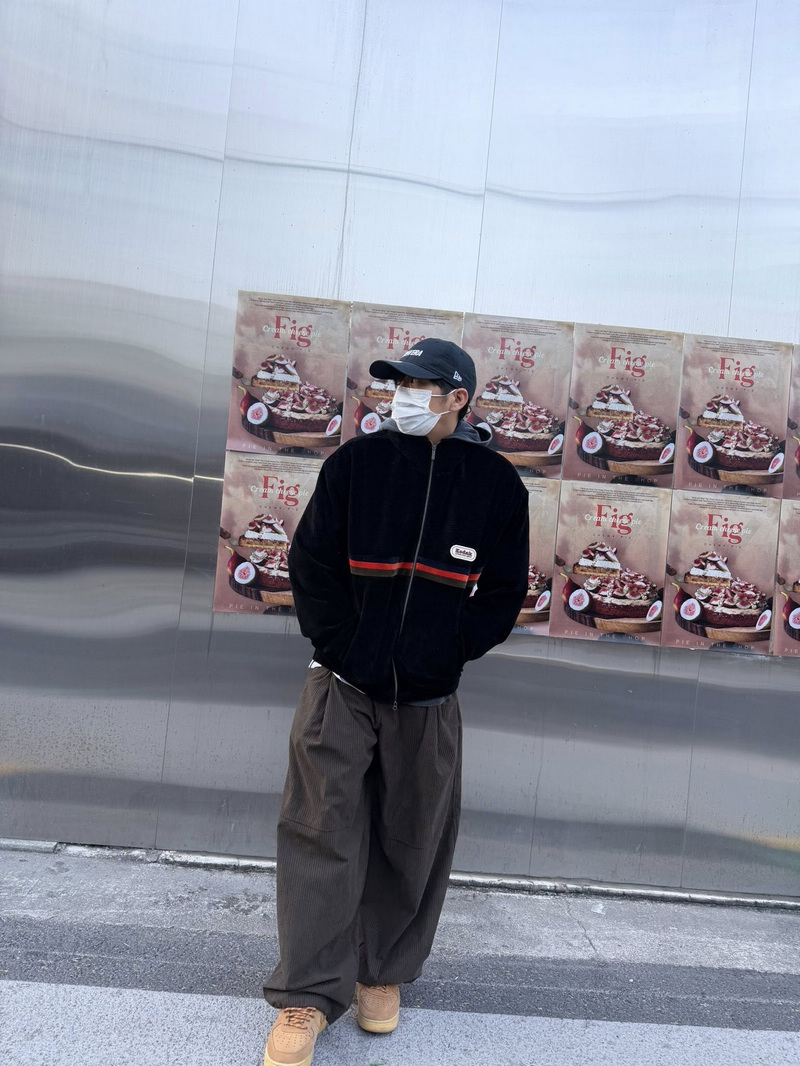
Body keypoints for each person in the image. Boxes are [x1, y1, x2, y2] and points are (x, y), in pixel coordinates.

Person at [263, 338, 529, 1066]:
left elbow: (505, 591)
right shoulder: (356, 464)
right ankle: (306, 994)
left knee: (412, 837)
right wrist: (343, 645)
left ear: (457, 399)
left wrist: (448, 650)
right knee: (319, 831)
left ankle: (380, 971)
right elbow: (311, 562)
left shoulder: (496, 485)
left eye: (418, 385)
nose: (401, 396)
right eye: (396, 384)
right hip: (342, 687)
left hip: (429, 698)